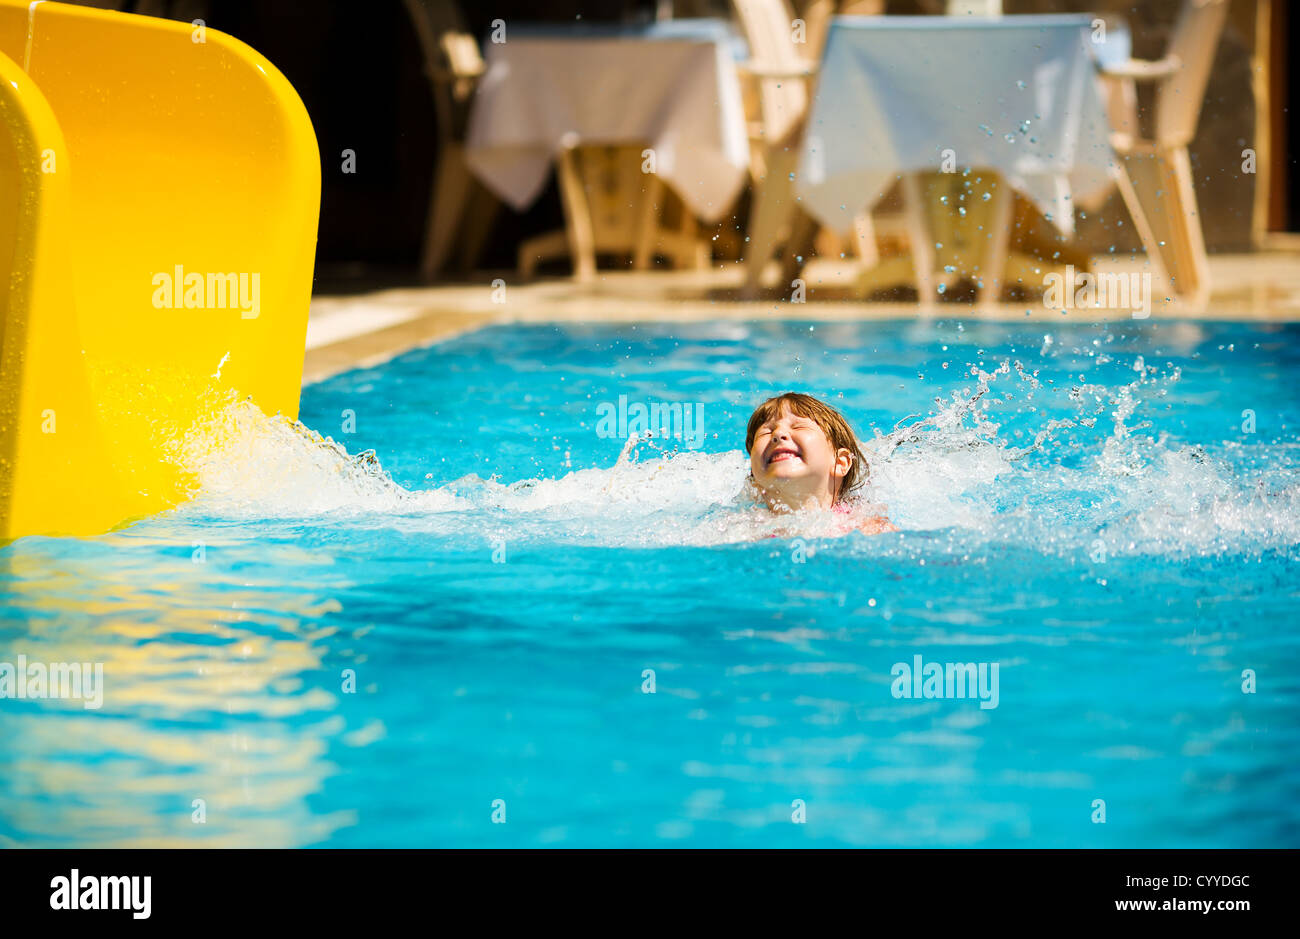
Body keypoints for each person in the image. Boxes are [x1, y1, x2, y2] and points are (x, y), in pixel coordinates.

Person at [744, 392, 898, 535]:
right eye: (766, 432)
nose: (777, 434)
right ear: (754, 475)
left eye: (798, 426)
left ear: (840, 462)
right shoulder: (744, 529)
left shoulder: (863, 525)